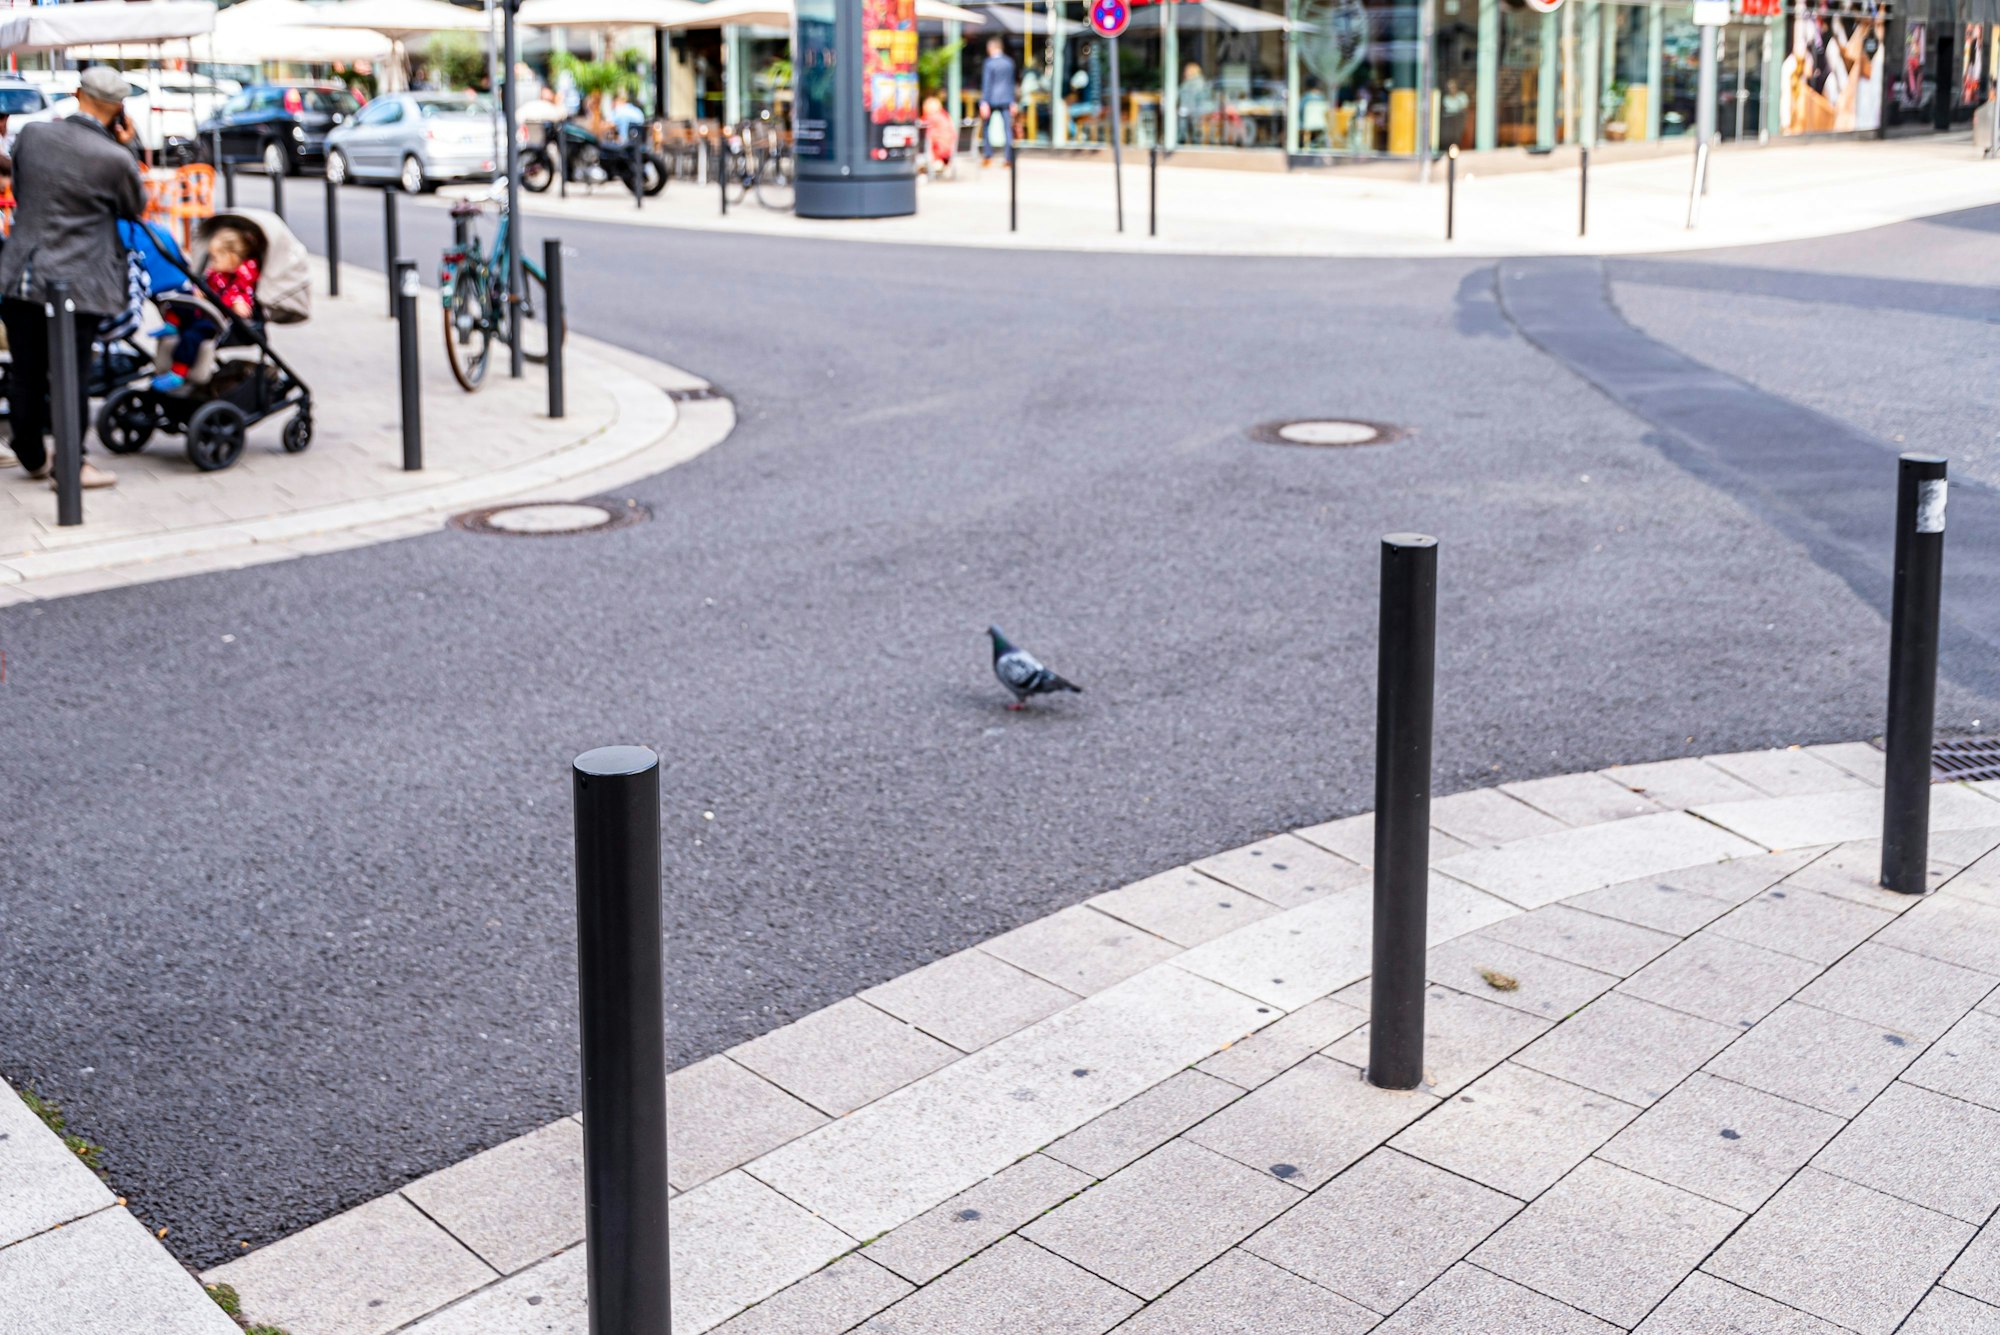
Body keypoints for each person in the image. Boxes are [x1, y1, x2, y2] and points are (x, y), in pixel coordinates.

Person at [0, 66, 142, 490]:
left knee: (25, 369)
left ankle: (30, 453)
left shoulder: (33, 135)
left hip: (21, 272)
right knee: (72, 373)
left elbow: (23, 193)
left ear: (77, 94)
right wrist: (127, 146)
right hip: (79, 280)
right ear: (118, 109)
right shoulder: (115, 158)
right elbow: (133, 208)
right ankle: (71, 465)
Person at [150, 223, 257, 395]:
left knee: (191, 336)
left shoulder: (242, 280)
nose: (212, 264)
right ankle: (171, 324)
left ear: (232, 257)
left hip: (214, 321)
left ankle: (178, 372)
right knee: (181, 298)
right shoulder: (217, 273)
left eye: (216, 259)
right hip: (204, 310)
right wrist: (199, 292)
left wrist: (239, 305)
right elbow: (207, 286)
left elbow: (243, 299)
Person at [979, 36, 1016, 165]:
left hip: (991, 99)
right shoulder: (1009, 62)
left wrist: (984, 102)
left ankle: (988, 155)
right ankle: (1008, 158)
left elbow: (987, 84)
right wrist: (1013, 101)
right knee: (1007, 129)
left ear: (991, 48)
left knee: (986, 128)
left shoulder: (989, 63)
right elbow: (1011, 84)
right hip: (1006, 99)